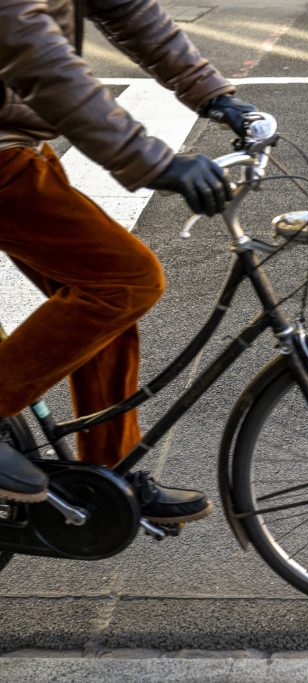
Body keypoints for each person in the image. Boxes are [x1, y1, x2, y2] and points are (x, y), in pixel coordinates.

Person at [0, 0, 257, 523]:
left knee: (103, 299)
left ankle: (108, 475)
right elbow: (37, 60)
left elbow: (128, 9)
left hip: (17, 142)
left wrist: (212, 94)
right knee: (127, 281)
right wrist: (156, 163)